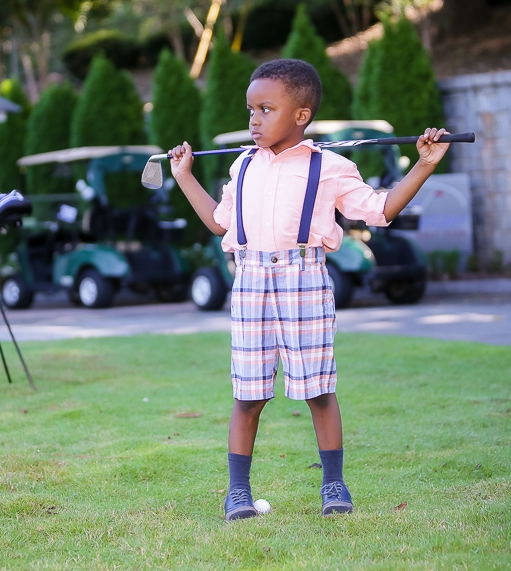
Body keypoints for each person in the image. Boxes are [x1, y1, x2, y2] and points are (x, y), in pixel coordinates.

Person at [168, 58, 451, 521]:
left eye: (265, 109)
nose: (254, 120)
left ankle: (333, 484)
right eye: (251, 110)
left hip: (305, 279)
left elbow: (380, 210)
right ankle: (237, 491)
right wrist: (184, 176)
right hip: (250, 281)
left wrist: (424, 164)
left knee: (318, 389)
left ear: (301, 115)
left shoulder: (331, 166)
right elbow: (220, 222)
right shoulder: (243, 165)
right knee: (248, 393)